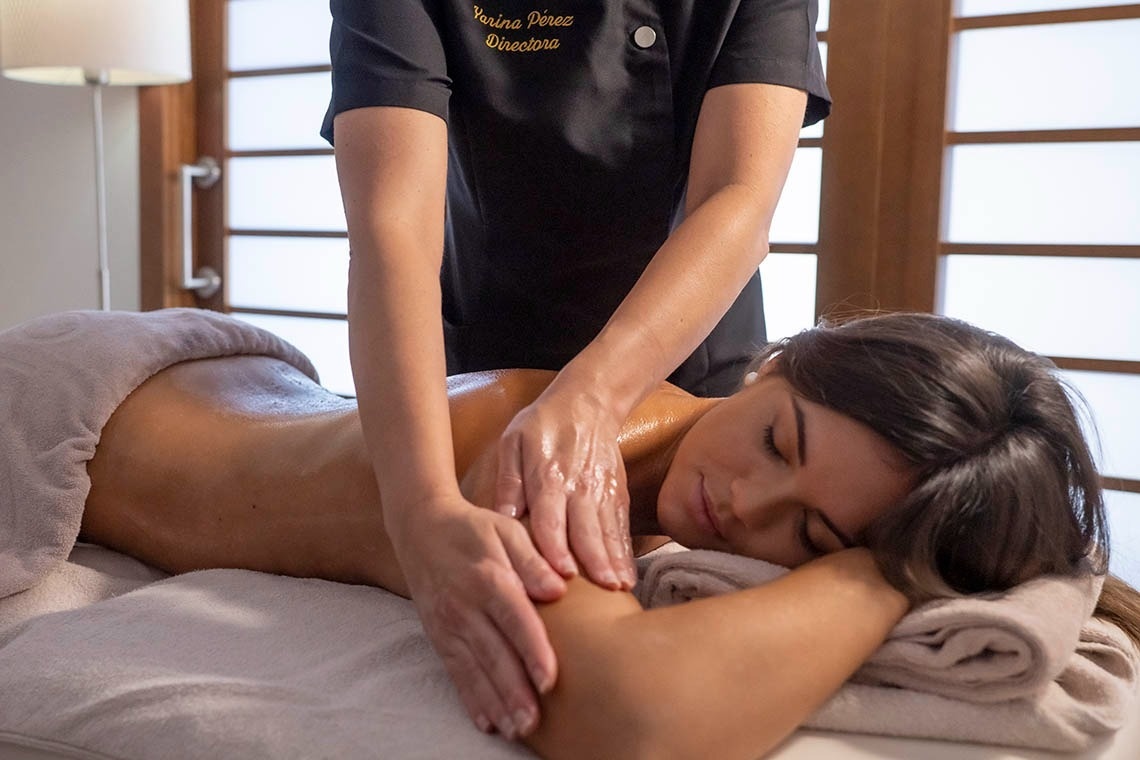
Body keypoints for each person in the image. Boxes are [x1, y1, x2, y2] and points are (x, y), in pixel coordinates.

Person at [80, 311, 1140, 755]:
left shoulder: (677, 492)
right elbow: (634, 717)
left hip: (239, 383)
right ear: (772, 362)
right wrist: (878, 572)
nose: (747, 506)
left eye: (812, 532)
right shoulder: (548, 454)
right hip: (82, 407)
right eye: (777, 440)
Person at [320, 0, 831, 728]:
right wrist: (420, 512)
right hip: (494, 354)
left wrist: (590, 397)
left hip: (693, 358)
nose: (756, 502)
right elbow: (392, 227)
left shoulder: (762, 469)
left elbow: (737, 198)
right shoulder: (498, 446)